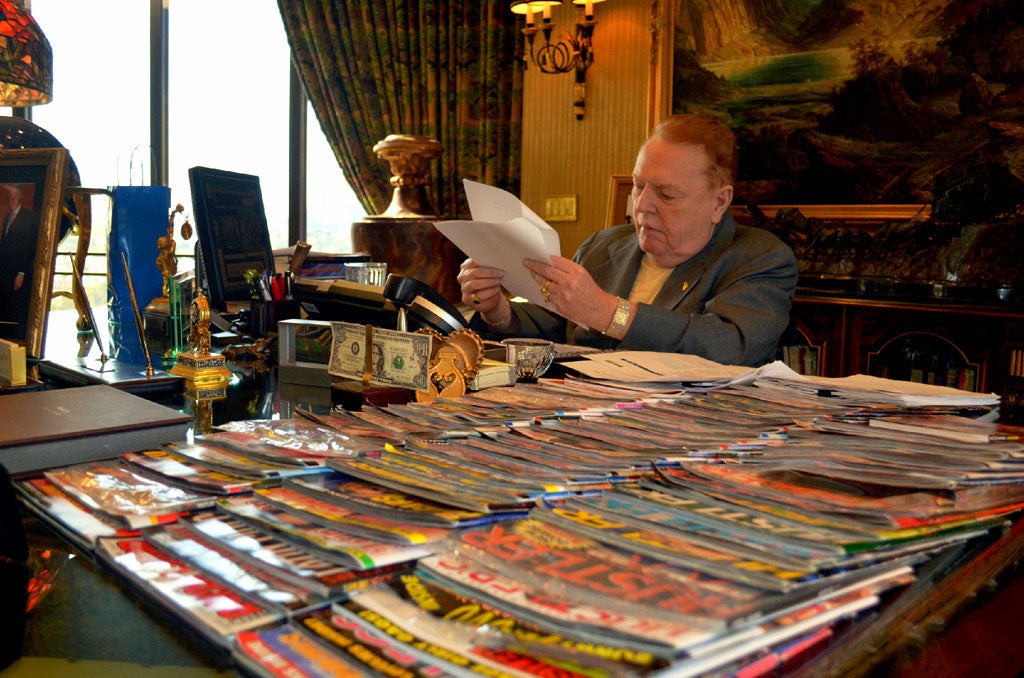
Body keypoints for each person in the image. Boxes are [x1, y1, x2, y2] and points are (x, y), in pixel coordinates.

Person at [456, 114, 798, 367]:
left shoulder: (760, 258)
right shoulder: (604, 245)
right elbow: (555, 324)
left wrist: (607, 312)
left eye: (666, 194)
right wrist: (497, 310)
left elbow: (730, 346)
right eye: (638, 186)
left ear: (719, 202)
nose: (642, 206)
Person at [0, 185, 40, 339]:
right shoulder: (6, 219)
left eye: (14, 196)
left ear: (20, 198)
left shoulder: (29, 217)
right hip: (6, 272)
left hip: (20, 272)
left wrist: (21, 273)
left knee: (19, 308)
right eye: (9, 197)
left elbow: (29, 247)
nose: (11, 200)